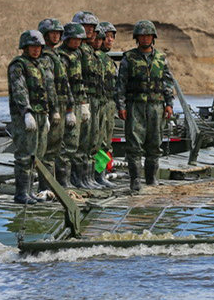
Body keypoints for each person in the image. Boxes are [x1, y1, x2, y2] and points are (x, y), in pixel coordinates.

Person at [115, 20, 175, 192]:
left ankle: (152, 178)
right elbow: (121, 84)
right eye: (142, 36)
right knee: (134, 144)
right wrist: (121, 106)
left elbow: (167, 83)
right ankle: (135, 180)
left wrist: (169, 104)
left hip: (156, 106)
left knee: (155, 143)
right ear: (137, 38)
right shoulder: (129, 58)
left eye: (148, 35)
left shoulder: (161, 58)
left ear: (153, 37)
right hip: (135, 106)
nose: (145, 39)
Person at [8, 30, 57, 204]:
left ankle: (30, 192)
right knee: (25, 155)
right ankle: (21, 193)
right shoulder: (18, 65)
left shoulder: (40, 66)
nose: (36, 50)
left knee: (38, 155)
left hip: (42, 115)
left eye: (38, 47)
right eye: (32, 47)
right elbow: (19, 90)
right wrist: (26, 112)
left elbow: (47, 91)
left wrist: (49, 114)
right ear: (25, 47)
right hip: (26, 116)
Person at [38, 19, 76, 190]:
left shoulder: (57, 56)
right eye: (52, 33)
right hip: (51, 107)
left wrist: (70, 107)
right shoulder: (45, 56)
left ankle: (58, 185)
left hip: (61, 105)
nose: (55, 36)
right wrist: (52, 111)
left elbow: (64, 83)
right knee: (49, 150)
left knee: (58, 146)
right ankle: (46, 187)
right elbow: (48, 85)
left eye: (58, 33)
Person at [72, 11, 103, 189]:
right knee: (79, 142)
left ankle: (88, 178)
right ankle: (78, 179)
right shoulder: (76, 51)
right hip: (79, 100)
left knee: (92, 142)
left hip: (94, 100)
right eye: (86, 27)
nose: (89, 31)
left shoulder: (90, 50)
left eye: (92, 27)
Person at [58, 23, 88, 189]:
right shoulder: (62, 56)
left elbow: (80, 81)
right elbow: (64, 83)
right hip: (66, 104)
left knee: (76, 143)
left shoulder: (77, 54)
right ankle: (64, 181)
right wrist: (69, 109)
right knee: (67, 144)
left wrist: (84, 103)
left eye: (79, 39)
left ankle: (77, 179)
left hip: (78, 102)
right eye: (74, 39)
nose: (77, 42)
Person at [95, 21, 118, 188]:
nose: (110, 40)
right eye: (107, 37)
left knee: (105, 142)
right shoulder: (95, 58)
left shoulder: (109, 60)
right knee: (95, 142)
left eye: (112, 37)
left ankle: (100, 174)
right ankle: (95, 175)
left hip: (109, 106)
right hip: (97, 105)